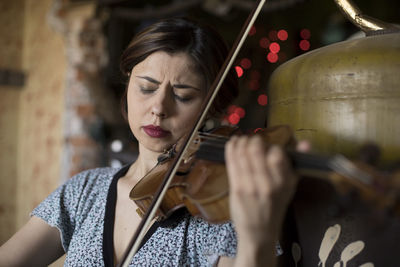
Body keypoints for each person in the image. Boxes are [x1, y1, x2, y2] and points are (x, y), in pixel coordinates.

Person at [0, 17, 304, 267]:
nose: (159, 107)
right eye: (146, 88)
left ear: (210, 106)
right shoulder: (84, 192)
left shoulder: (221, 211)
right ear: (128, 85)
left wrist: (256, 236)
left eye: (183, 95)